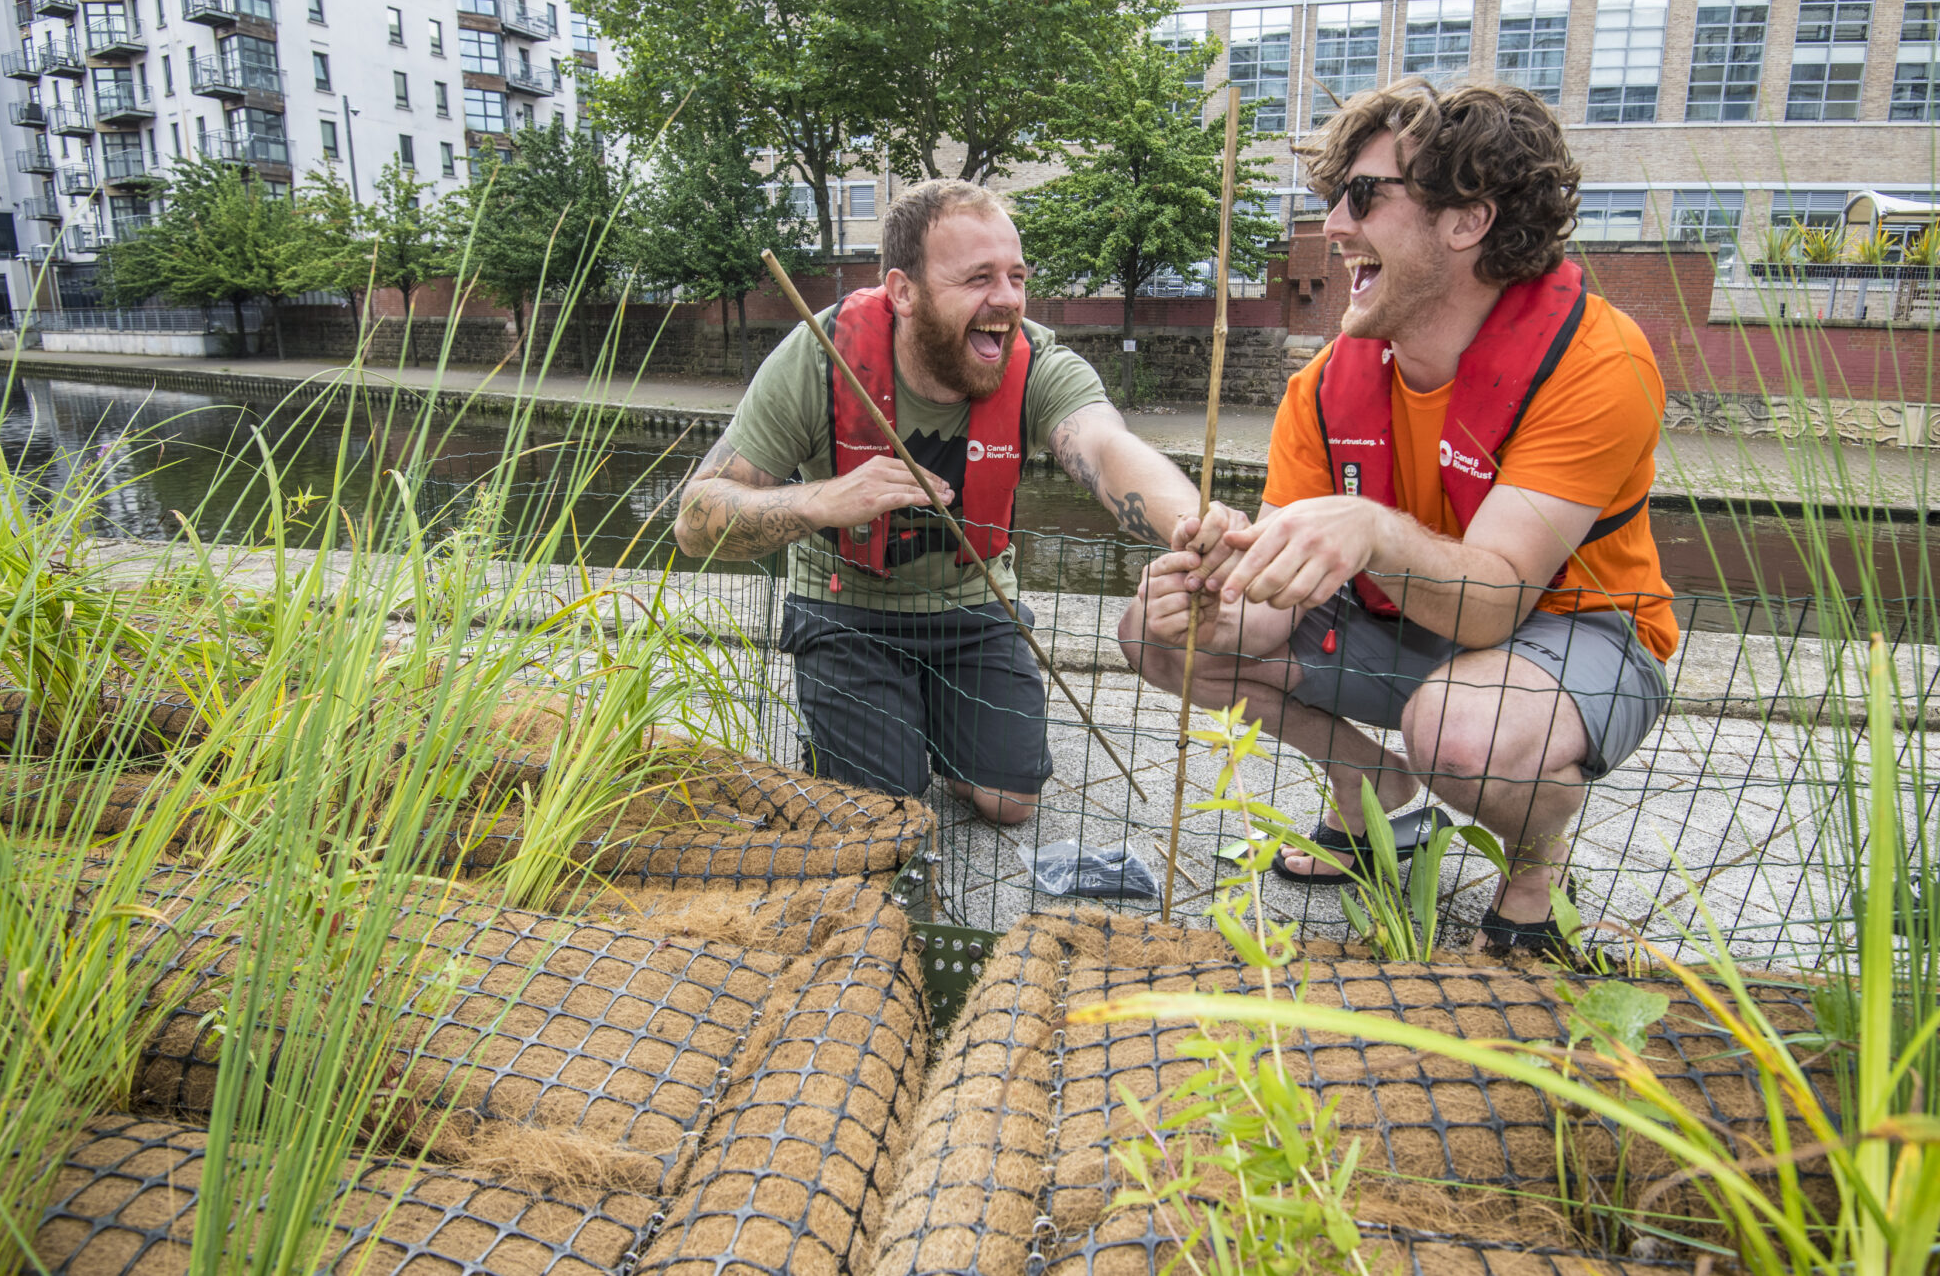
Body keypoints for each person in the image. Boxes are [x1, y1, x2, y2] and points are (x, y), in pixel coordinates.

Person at [1122, 82, 1675, 953]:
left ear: (1467, 221)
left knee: (1461, 733)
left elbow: (1494, 602)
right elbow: (1274, 594)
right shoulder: (1323, 386)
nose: (1334, 226)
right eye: (1334, 198)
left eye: (1365, 196)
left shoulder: (1597, 360)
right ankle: (1365, 784)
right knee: (1155, 636)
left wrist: (1370, 527)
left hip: (1578, 630)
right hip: (1403, 620)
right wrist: (1212, 593)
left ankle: (1536, 866)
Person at [676, 179, 1207, 825]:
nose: (1007, 299)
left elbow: (1102, 445)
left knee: (1010, 803)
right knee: (885, 810)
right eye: (979, 277)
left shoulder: (1035, 359)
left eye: (1016, 275)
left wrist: (1194, 523)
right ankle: (870, 723)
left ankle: (922, 716)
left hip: (972, 602)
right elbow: (694, 520)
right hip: (846, 608)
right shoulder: (818, 359)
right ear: (904, 291)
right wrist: (823, 500)